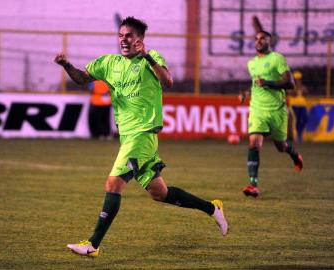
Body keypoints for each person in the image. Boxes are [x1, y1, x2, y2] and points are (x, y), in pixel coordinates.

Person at [54, 16, 228, 257]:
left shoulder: (151, 58)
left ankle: (92, 244)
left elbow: (168, 81)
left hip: (142, 134)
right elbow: (83, 78)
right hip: (128, 137)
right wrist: (66, 65)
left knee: (113, 184)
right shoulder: (108, 63)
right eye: (121, 35)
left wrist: (147, 56)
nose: (124, 40)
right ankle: (212, 208)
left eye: (129, 36)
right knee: (160, 194)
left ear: (139, 40)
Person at [242, 30, 303, 198]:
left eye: (263, 38)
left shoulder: (277, 59)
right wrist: (246, 93)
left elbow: (290, 83)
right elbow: (255, 85)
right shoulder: (251, 63)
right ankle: (253, 184)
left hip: (277, 110)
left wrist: (268, 82)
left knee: (280, 146)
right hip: (257, 109)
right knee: (254, 142)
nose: (259, 41)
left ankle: (295, 155)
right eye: (256, 38)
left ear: (270, 41)